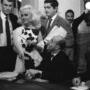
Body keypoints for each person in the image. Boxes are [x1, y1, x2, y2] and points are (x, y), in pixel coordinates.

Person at [13, 5, 43, 74]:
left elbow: (42, 49)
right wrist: (19, 51)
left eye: (26, 15)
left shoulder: (37, 31)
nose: (23, 17)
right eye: (22, 15)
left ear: (32, 16)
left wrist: (34, 45)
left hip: (34, 62)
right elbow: (13, 47)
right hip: (20, 62)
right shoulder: (17, 30)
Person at [0, 0, 20, 72]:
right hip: (0, 51)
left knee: (11, 75)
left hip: (12, 51)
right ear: (1, 4)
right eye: (5, 5)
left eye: (10, 5)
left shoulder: (14, 17)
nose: (8, 8)